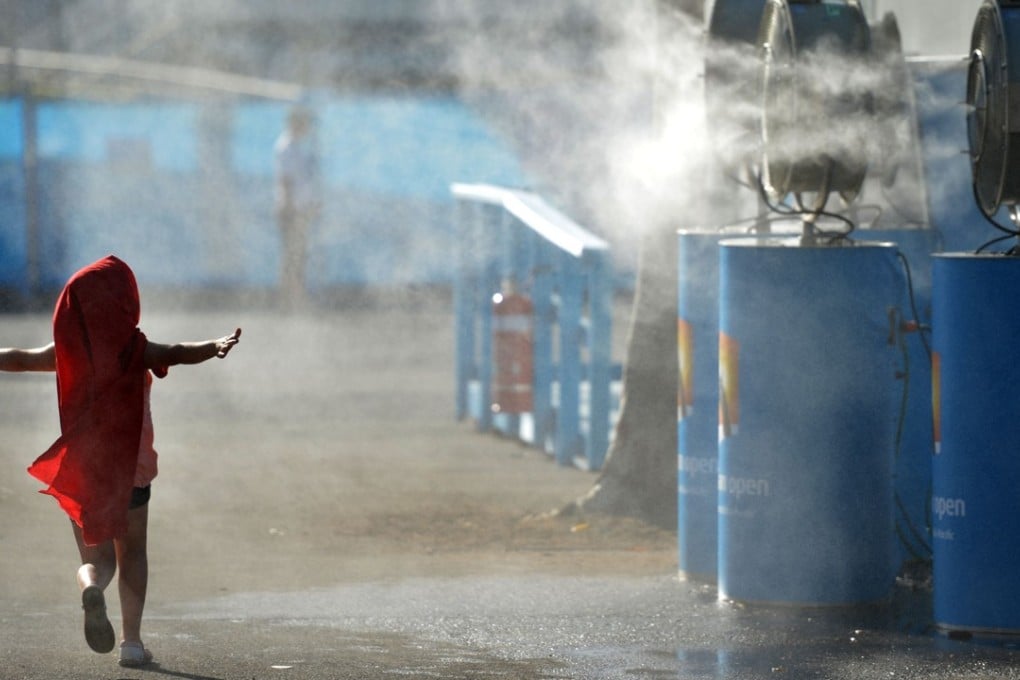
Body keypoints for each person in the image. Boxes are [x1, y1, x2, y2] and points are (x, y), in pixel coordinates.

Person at [0, 255, 241, 668]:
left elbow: (19, 357)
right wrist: (214, 346)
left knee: (96, 560)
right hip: (130, 468)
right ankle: (132, 644)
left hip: (85, 470)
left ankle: (90, 586)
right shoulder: (136, 349)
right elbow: (180, 352)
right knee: (133, 552)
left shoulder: (67, 351)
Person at [273, 105, 321, 307]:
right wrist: (288, 206)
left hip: (300, 208)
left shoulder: (297, 147)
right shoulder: (286, 147)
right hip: (293, 210)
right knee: (292, 254)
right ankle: (290, 297)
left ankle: (295, 295)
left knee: (299, 254)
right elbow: (286, 180)